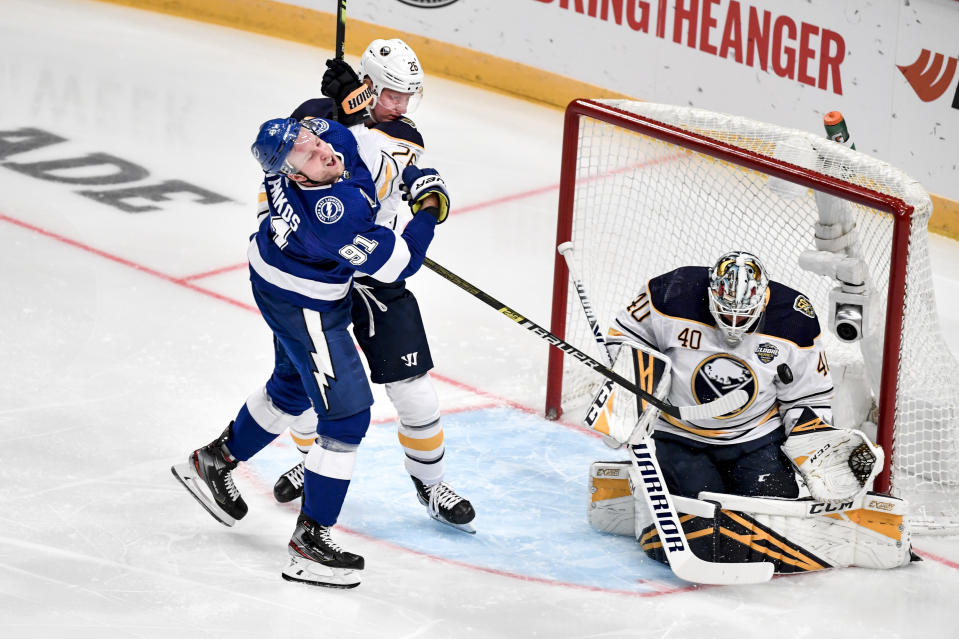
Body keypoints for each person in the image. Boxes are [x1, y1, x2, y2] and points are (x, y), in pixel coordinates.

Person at [171, 115, 450, 588]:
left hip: (274, 276)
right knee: (346, 417)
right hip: (305, 303)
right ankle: (310, 543)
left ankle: (211, 462)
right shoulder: (333, 219)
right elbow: (402, 263)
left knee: (293, 386)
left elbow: (337, 127)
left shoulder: (319, 140)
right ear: (294, 176)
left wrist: (354, 109)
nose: (321, 151)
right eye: (306, 156)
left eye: (311, 140)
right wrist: (428, 206)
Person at [587, 251, 912, 573]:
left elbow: (807, 394)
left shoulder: (794, 320)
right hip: (678, 434)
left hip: (755, 436)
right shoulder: (671, 293)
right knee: (700, 504)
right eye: (725, 314)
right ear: (712, 294)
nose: (733, 326)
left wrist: (812, 441)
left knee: (771, 502)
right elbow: (624, 337)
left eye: (743, 317)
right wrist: (631, 394)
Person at [270, 38, 476, 533]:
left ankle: (432, 483)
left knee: (416, 393)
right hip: (317, 279)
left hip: (375, 277)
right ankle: (311, 460)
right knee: (303, 388)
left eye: (409, 95)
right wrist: (335, 115)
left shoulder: (405, 133)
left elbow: (389, 170)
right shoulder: (315, 116)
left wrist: (429, 192)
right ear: (368, 85)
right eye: (392, 94)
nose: (401, 105)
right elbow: (292, 167)